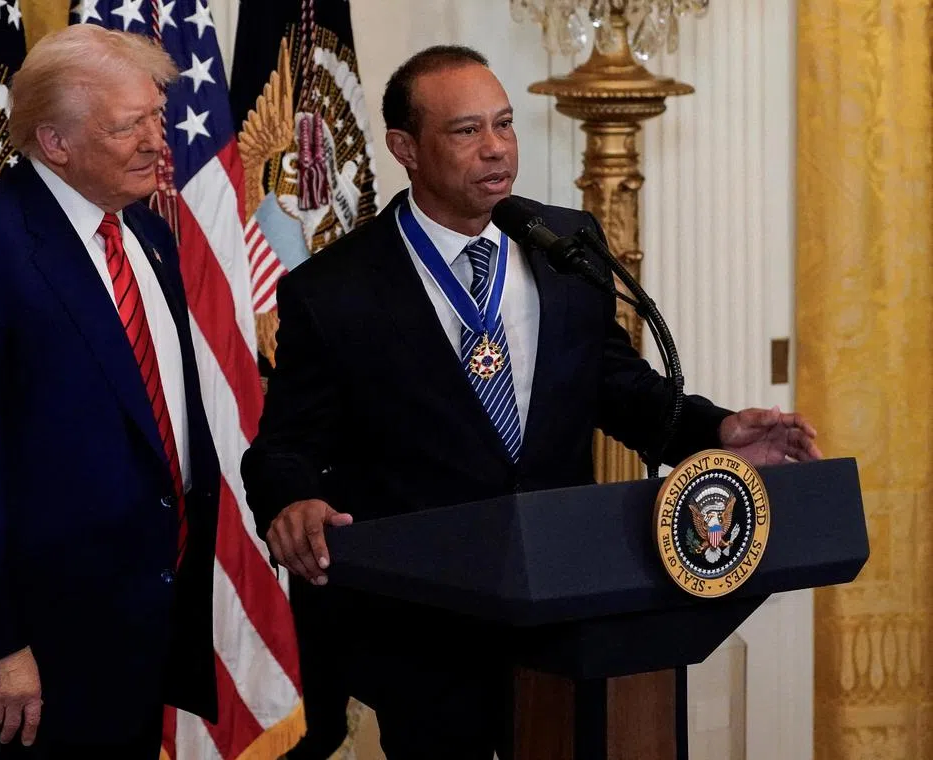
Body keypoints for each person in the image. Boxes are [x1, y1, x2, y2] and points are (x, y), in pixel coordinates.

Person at [241, 45, 822, 760]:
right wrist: (290, 500)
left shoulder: (563, 242)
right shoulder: (334, 290)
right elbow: (285, 446)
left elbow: (616, 383)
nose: (496, 150)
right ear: (405, 148)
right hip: (427, 621)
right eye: (466, 131)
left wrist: (718, 429)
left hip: (566, 600)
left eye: (505, 124)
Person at [0, 25, 220, 758]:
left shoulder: (145, 234)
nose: (156, 142)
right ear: (55, 141)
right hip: (31, 657)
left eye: (156, 118)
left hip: (137, 627)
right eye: (127, 126)